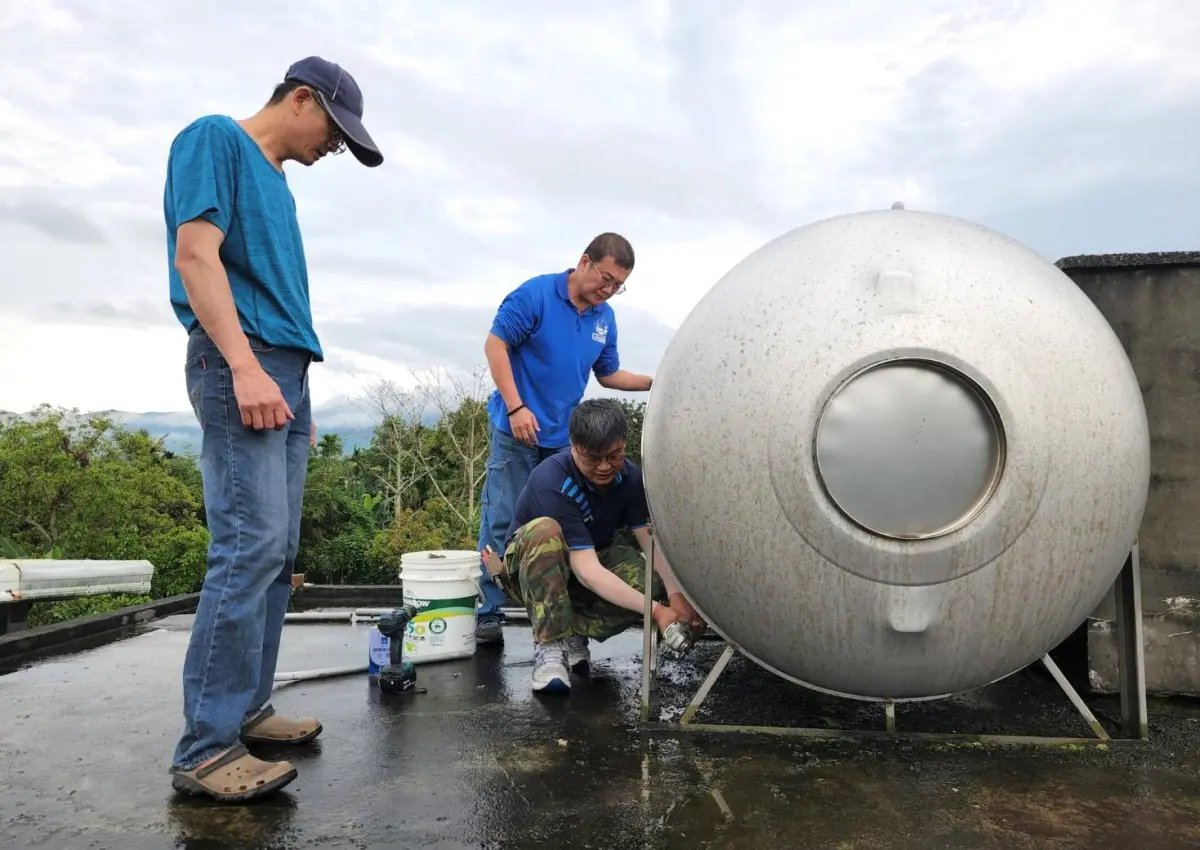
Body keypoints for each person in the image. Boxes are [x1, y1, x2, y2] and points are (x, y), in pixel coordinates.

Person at [163, 56, 383, 803]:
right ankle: (205, 748)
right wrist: (245, 366)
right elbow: (197, 257)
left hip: (286, 375)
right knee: (246, 545)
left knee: (278, 550)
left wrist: (299, 396)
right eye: (335, 131)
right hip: (241, 363)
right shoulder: (214, 139)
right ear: (300, 98)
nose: (335, 149)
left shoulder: (279, 185)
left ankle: (248, 710)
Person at [475, 234, 655, 646]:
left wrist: (657, 383)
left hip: (564, 441)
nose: (608, 290)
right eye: (605, 279)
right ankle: (487, 611)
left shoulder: (603, 319)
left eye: (617, 285)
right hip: (516, 429)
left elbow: (608, 374)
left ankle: (564, 614)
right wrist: (517, 407)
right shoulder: (536, 296)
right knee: (502, 517)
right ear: (585, 262)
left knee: (570, 528)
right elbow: (495, 344)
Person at [481, 398, 704, 692]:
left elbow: (648, 541)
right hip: (528, 573)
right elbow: (587, 571)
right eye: (592, 458)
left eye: (614, 456)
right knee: (545, 532)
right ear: (573, 446)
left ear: (624, 443)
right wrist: (658, 613)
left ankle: (571, 630)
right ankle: (550, 646)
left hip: (586, 564)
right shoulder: (552, 480)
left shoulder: (629, 478)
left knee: (648, 582)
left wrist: (676, 598)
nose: (604, 467)